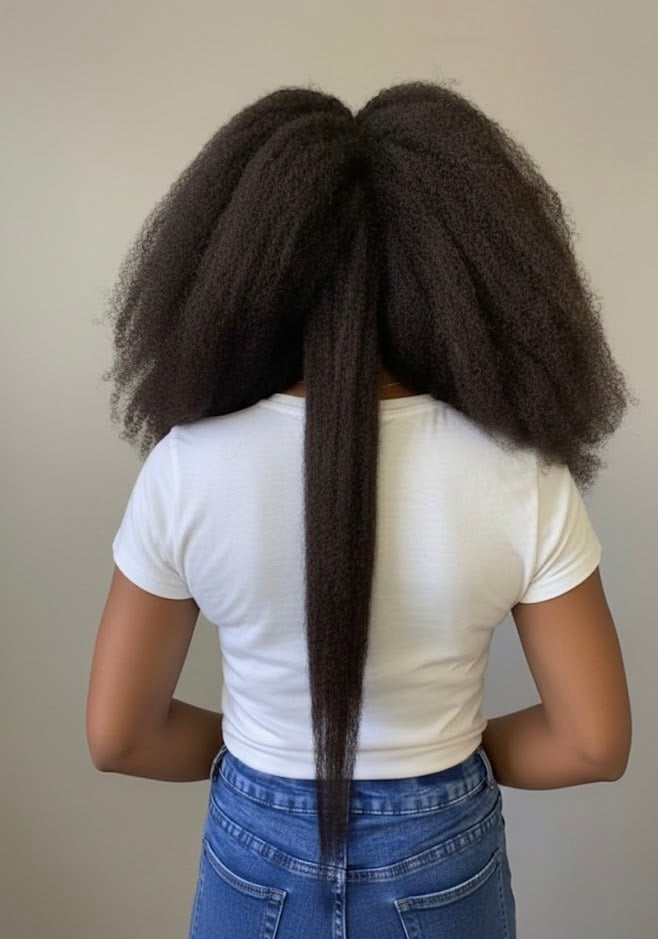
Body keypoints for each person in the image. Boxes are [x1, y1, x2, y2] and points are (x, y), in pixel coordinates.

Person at [86, 80, 634, 938]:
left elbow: (120, 735)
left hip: (254, 848)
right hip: (441, 853)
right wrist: (445, 757)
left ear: (242, 263)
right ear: (472, 264)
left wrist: (256, 756)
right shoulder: (520, 475)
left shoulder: (187, 469)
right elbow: (594, 742)